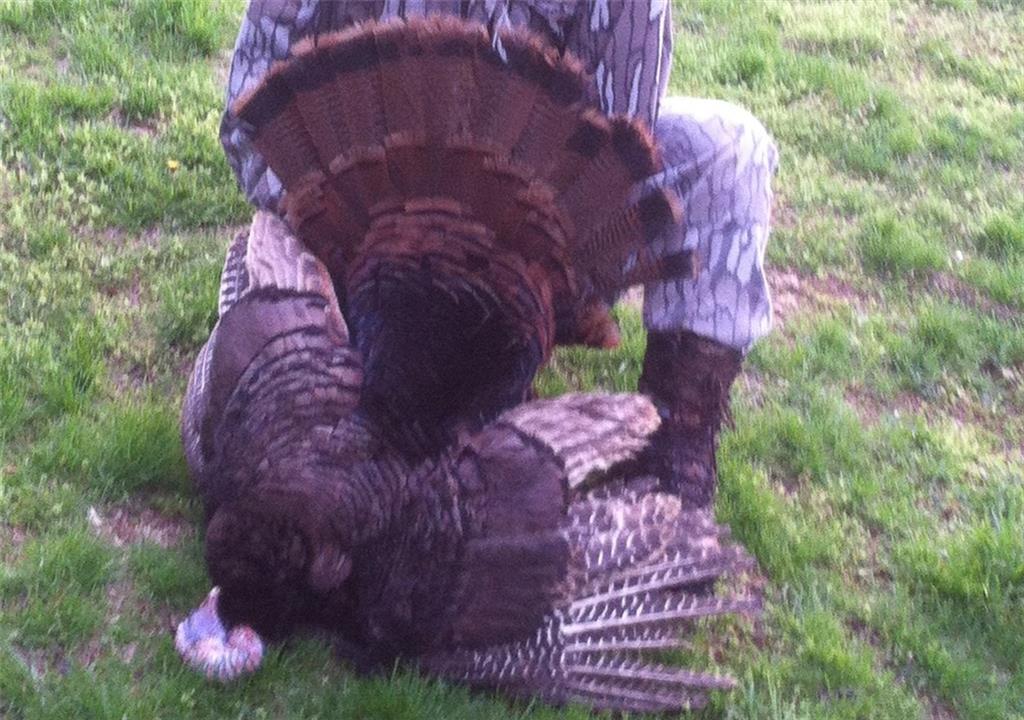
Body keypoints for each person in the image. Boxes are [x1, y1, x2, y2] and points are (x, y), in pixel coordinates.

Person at [219, 0, 778, 510]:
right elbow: (248, 119)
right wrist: (334, 212)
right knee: (290, 434)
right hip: (357, 246)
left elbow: (615, 149)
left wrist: (524, 279)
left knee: (732, 148)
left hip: (513, 272)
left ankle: (676, 439)